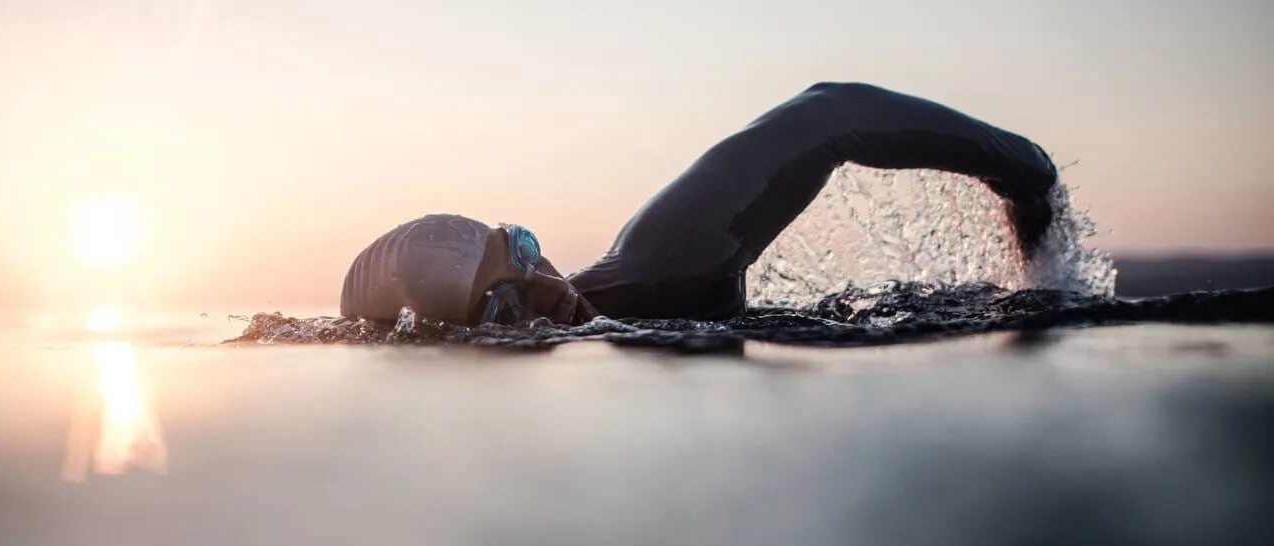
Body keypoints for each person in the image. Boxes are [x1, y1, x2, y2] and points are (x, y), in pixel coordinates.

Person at [340, 82, 1058, 326]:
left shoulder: (668, 265)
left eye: (525, 250)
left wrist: (1025, 177)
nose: (549, 286)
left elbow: (827, 112)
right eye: (505, 306)